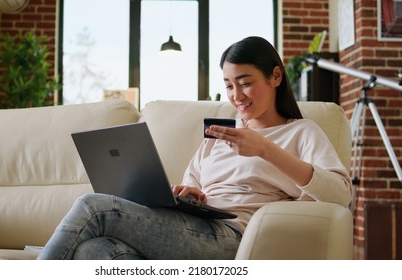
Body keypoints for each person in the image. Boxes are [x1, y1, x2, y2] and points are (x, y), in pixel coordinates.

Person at [37, 36, 352, 260]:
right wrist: (188, 194)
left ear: (276, 77)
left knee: (92, 207)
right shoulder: (219, 135)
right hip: (195, 228)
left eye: (245, 81)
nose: (236, 94)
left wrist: (265, 149)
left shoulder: (300, 131)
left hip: (235, 238)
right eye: (229, 85)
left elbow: (339, 193)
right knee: (95, 251)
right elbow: (194, 185)